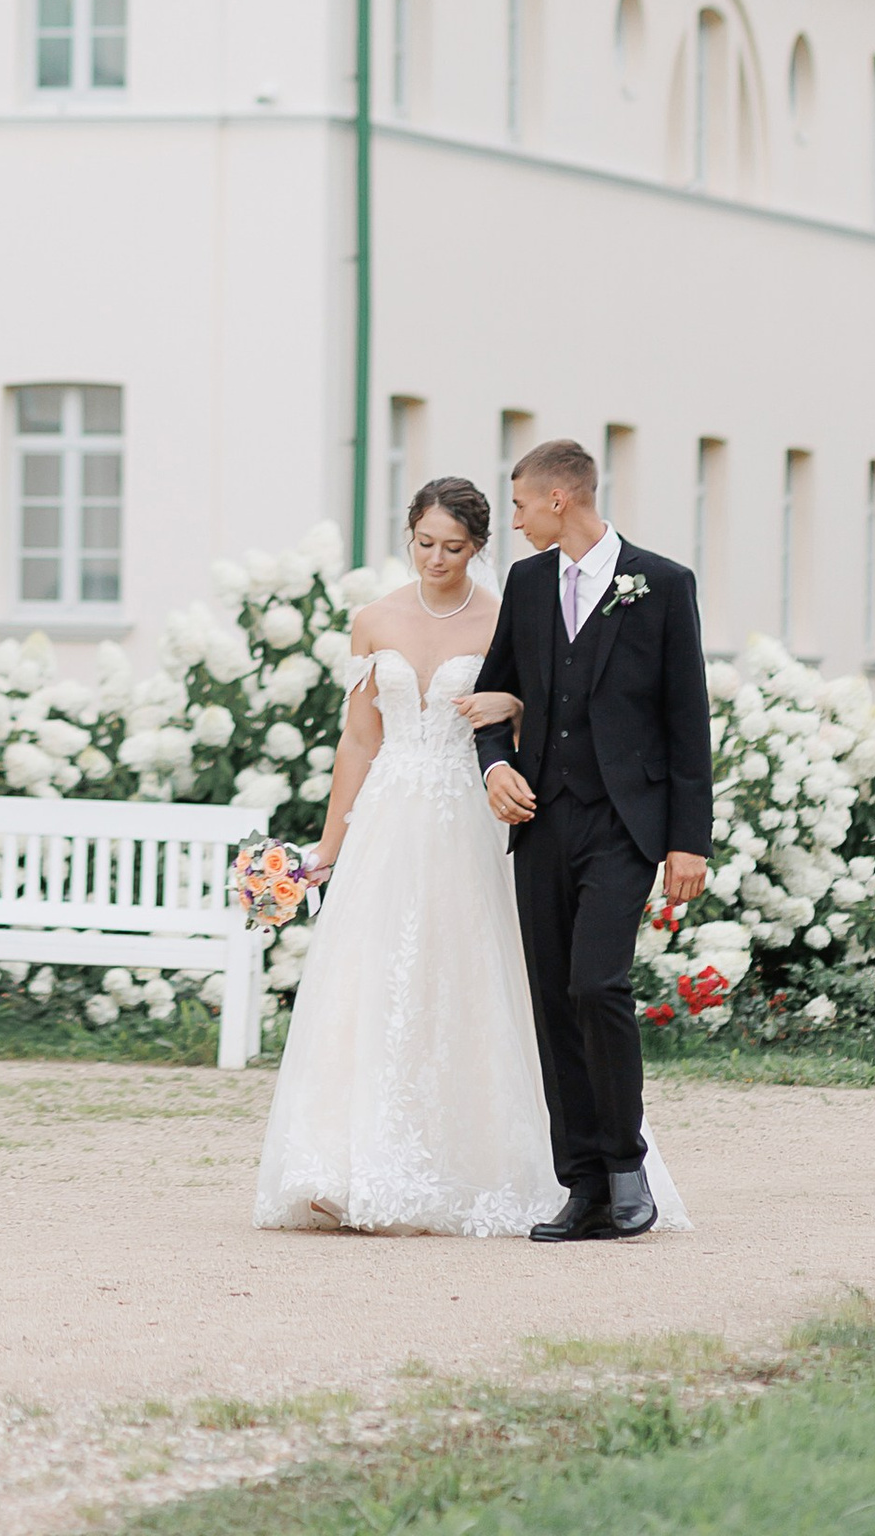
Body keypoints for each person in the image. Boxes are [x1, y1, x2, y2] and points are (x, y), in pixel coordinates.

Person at [254, 472, 583, 1236]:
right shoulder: (372, 620)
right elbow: (359, 739)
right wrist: (328, 846)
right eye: (426, 543)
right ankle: (341, 1165)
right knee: (368, 980)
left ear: (478, 548)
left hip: (469, 817)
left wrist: (514, 708)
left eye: (455, 547)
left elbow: (535, 727)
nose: (437, 559)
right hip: (389, 819)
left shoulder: (506, 620)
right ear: (411, 536)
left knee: (462, 977)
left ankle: (465, 1162)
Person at [470, 437, 712, 1243]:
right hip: (541, 819)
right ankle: (581, 1189)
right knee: (551, 1002)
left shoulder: (664, 585)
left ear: (558, 501)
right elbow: (494, 695)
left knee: (597, 986)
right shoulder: (528, 582)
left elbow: (688, 722)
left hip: (624, 823)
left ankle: (624, 1163)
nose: (514, 520)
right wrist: (495, 766)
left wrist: (690, 842)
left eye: (519, 505)